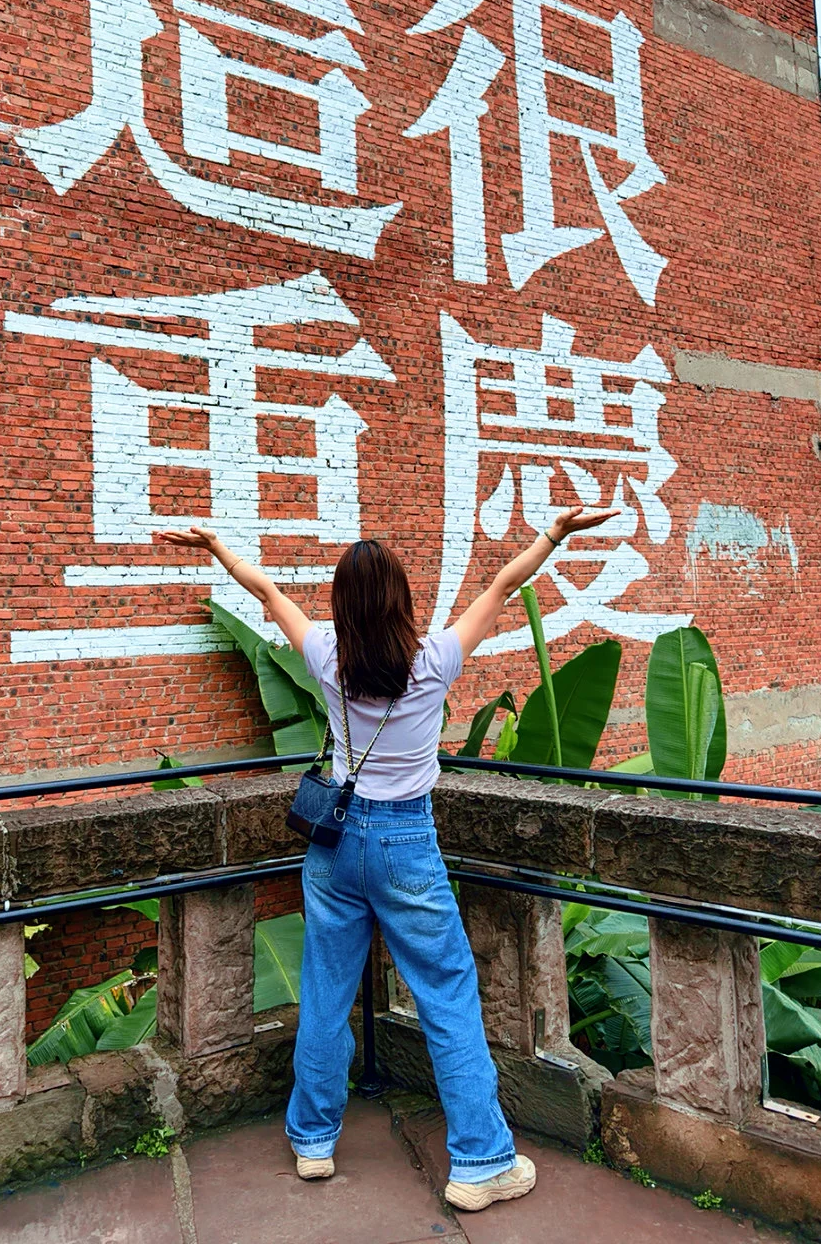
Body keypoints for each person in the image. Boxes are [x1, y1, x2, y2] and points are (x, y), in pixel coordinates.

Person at [155, 505, 618, 1213]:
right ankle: (480, 1161)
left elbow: (268, 594)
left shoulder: (327, 660)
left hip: (335, 846)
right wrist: (556, 534)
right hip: (406, 844)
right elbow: (501, 584)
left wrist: (217, 546)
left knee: (326, 992)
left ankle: (312, 1140)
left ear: (343, 604)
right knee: (448, 995)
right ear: (402, 600)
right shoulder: (433, 662)